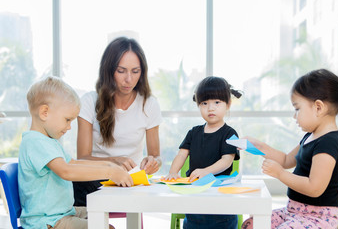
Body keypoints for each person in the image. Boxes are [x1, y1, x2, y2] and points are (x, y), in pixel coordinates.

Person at [241, 69, 338, 229]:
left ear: (318, 107)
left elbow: (314, 187)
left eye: (297, 109)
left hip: (318, 218)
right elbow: (286, 160)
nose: (294, 116)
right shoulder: (310, 136)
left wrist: (280, 174)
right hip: (292, 211)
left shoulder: (329, 143)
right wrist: (260, 146)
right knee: (251, 224)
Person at [18, 76, 133, 229]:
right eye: (67, 120)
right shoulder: (35, 142)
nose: (69, 127)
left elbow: (72, 162)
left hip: (61, 213)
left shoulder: (48, 141)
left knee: (101, 213)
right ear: (44, 112)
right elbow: (66, 171)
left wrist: (108, 164)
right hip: (47, 222)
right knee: (106, 227)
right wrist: (110, 172)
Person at [73, 37, 162, 206]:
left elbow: (156, 156)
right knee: (76, 184)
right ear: (108, 70)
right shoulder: (89, 101)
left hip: (130, 182)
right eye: (121, 71)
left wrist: (153, 162)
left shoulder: (149, 104)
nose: (129, 79)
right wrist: (114, 161)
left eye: (135, 71)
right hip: (95, 180)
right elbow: (82, 158)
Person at [165, 76, 242, 229]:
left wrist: (206, 171)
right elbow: (181, 154)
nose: (210, 108)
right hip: (195, 197)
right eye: (204, 103)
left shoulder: (229, 133)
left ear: (228, 104)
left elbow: (227, 160)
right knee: (194, 221)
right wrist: (173, 172)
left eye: (217, 102)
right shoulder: (193, 132)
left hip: (221, 200)